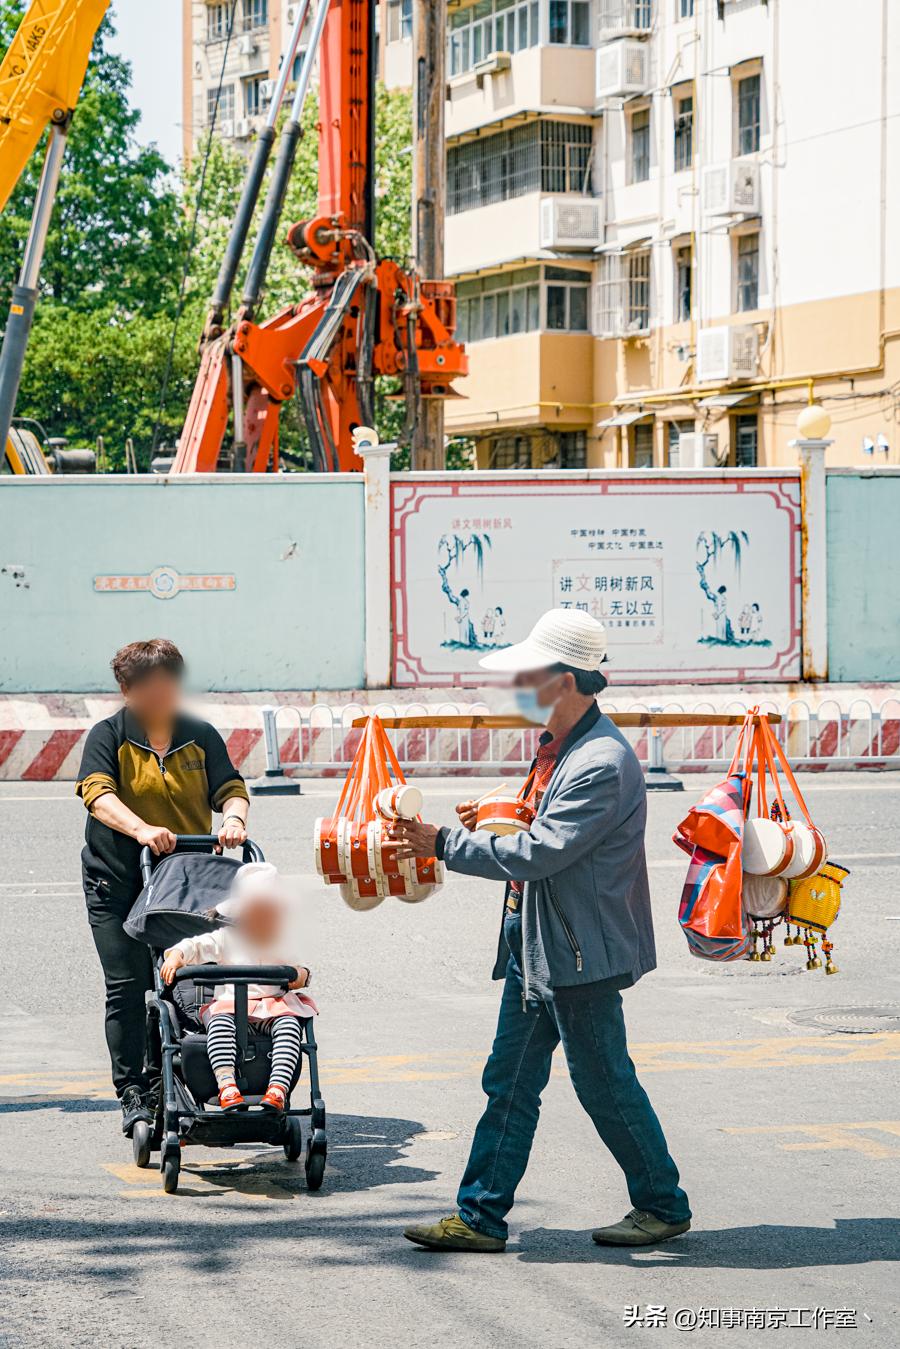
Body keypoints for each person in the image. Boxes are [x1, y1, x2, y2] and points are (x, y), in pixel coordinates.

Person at [395, 608, 690, 1253]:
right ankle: (480, 1217)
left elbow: (538, 853)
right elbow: (535, 827)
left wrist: (442, 841)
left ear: (564, 679)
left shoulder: (600, 762)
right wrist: (494, 816)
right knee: (510, 1082)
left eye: (529, 674)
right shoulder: (559, 747)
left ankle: (662, 1204)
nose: (518, 687)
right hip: (540, 948)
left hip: (578, 956)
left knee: (605, 1084)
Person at [75, 638, 250, 1135]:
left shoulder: (198, 734)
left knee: (184, 981)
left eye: (168, 687)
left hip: (182, 884)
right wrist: (142, 830)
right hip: (118, 879)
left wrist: (234, 818)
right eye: (147, 690)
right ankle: (134, 1091)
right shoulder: (108, 736)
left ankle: (174, 1080)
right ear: (126, 691)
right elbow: (97, 793)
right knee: (128, 987)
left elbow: (230, 788)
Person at [161, 862, 315, 1112]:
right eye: (257, 912)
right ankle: (226, 1084)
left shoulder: (281, 940)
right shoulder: (227, 937)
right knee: (220, 1025)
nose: (263, 919)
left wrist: (299, 974)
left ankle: (278, 1088)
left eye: (269, 913)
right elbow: (198, 945)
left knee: (289, 1025)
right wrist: (177, 954)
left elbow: (300, 968)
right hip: (231, 1005)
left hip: (271, 1006)